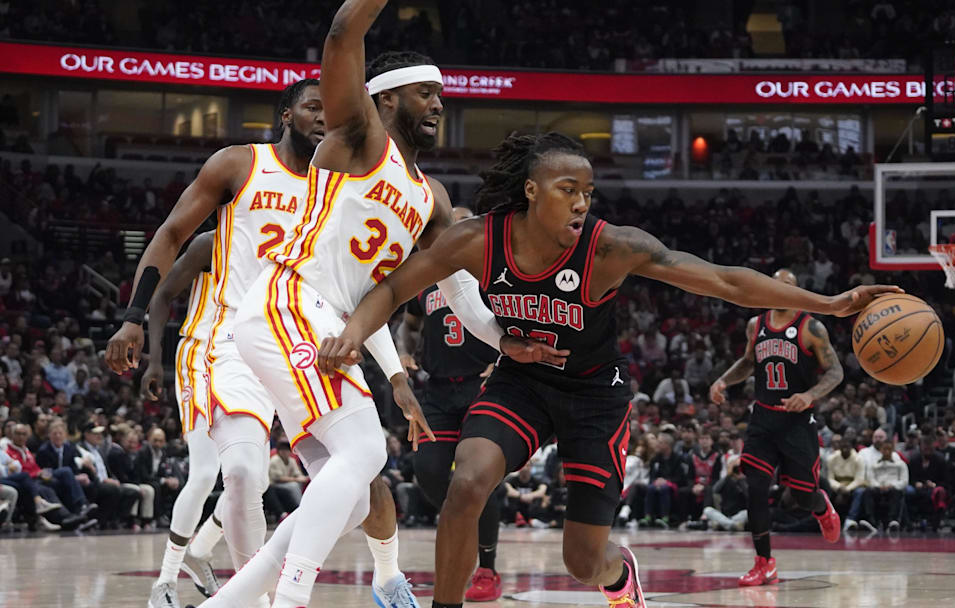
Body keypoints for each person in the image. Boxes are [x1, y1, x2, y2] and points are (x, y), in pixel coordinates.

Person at [321, 130, 898, 608]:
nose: (581, 202)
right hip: (523, 383)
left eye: (587, 192)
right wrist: (352, 333)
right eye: (567, 189)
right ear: (530, 190)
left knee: (582, 561)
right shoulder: (478, 240)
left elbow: (724, 280)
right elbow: (395, 286)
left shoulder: (610, 248)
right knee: (467, 482)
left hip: (595, 396)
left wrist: (829, 304)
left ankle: (621, 577)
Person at [192, 3, 547, 606]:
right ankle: (291, 599)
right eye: (425, 93)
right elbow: (341, 33)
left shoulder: (431, 195)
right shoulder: (359, 136)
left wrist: (503, 339)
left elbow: (458, 290)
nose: (438, 104)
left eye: (441, 95)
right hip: (289, 300)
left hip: (321, 322)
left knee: (354, 495)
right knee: (366, 450)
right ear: (386, 98)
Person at [104, 76, 420, 608]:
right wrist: (134, 316)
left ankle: (257, 585)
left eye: (330, 109)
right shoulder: (240, 164)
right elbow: (172, 233)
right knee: (244, 471)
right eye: (312, 107)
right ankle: (261, 598)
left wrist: (394, 373)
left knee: (360, 485)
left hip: (305, 329)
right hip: (233, 332)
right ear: (286, 116)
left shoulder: (343, 184)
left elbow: (363, 292)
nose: (324, 117)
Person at [709, 268, 846, 586]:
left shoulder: (811, 327)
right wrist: (723, 381)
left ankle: (821, 507)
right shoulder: (755, 325)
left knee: (802, 497)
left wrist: (809, 395)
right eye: (776, 285)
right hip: (763, 420)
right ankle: (764, 563)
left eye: (788, 286)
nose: (781, 290)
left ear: (797, 291)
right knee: (755, 487)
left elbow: (835, 372)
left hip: (797, 422)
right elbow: (748, 362)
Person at [395, 206, 504, 601]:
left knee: (477, 476)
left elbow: (517, 324)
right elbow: (408, 326)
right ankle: (465, 521)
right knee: (428, 471)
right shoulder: (427, 277)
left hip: (482, 387)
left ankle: (487, 568)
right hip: (438, 390)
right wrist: (404, 352)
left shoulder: (490, 276)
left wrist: (502, 361)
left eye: (461, 224)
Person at [141, 232, 224, 603]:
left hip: (247, 361)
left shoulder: (281, 242)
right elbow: (162, 294)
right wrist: (155, 359)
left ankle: (200, 548)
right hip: (202, 356)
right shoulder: (211, 242)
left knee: (255, 482)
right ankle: (165, 581)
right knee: (205, 473)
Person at [863, 440, 908, 532]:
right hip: (878, 488)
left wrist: (892, 485)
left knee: (896, 492)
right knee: (867, 492)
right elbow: (870, 479)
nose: (886, 451)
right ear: (881, 450)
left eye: (889, 449)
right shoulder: (874, 464)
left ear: (892, 450)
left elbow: (904, 481)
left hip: (893, 488)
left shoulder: (900, 464)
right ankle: (871, 521)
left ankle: (892, 521)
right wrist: (878, 486)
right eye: (884, 449)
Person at [826, 438, 867, 531]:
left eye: (847, 446)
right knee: (826, 490)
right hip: (837, 486)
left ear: (851, 447)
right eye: (843, 446)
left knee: (860, 492)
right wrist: (839, 487)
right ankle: (830, 519)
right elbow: (830, 478)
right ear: (839, 447)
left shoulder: (858, 459)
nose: (845, 449)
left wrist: (847, 489)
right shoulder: (832, 458)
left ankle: (850, 520)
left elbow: (859, 479)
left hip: (852, 485)